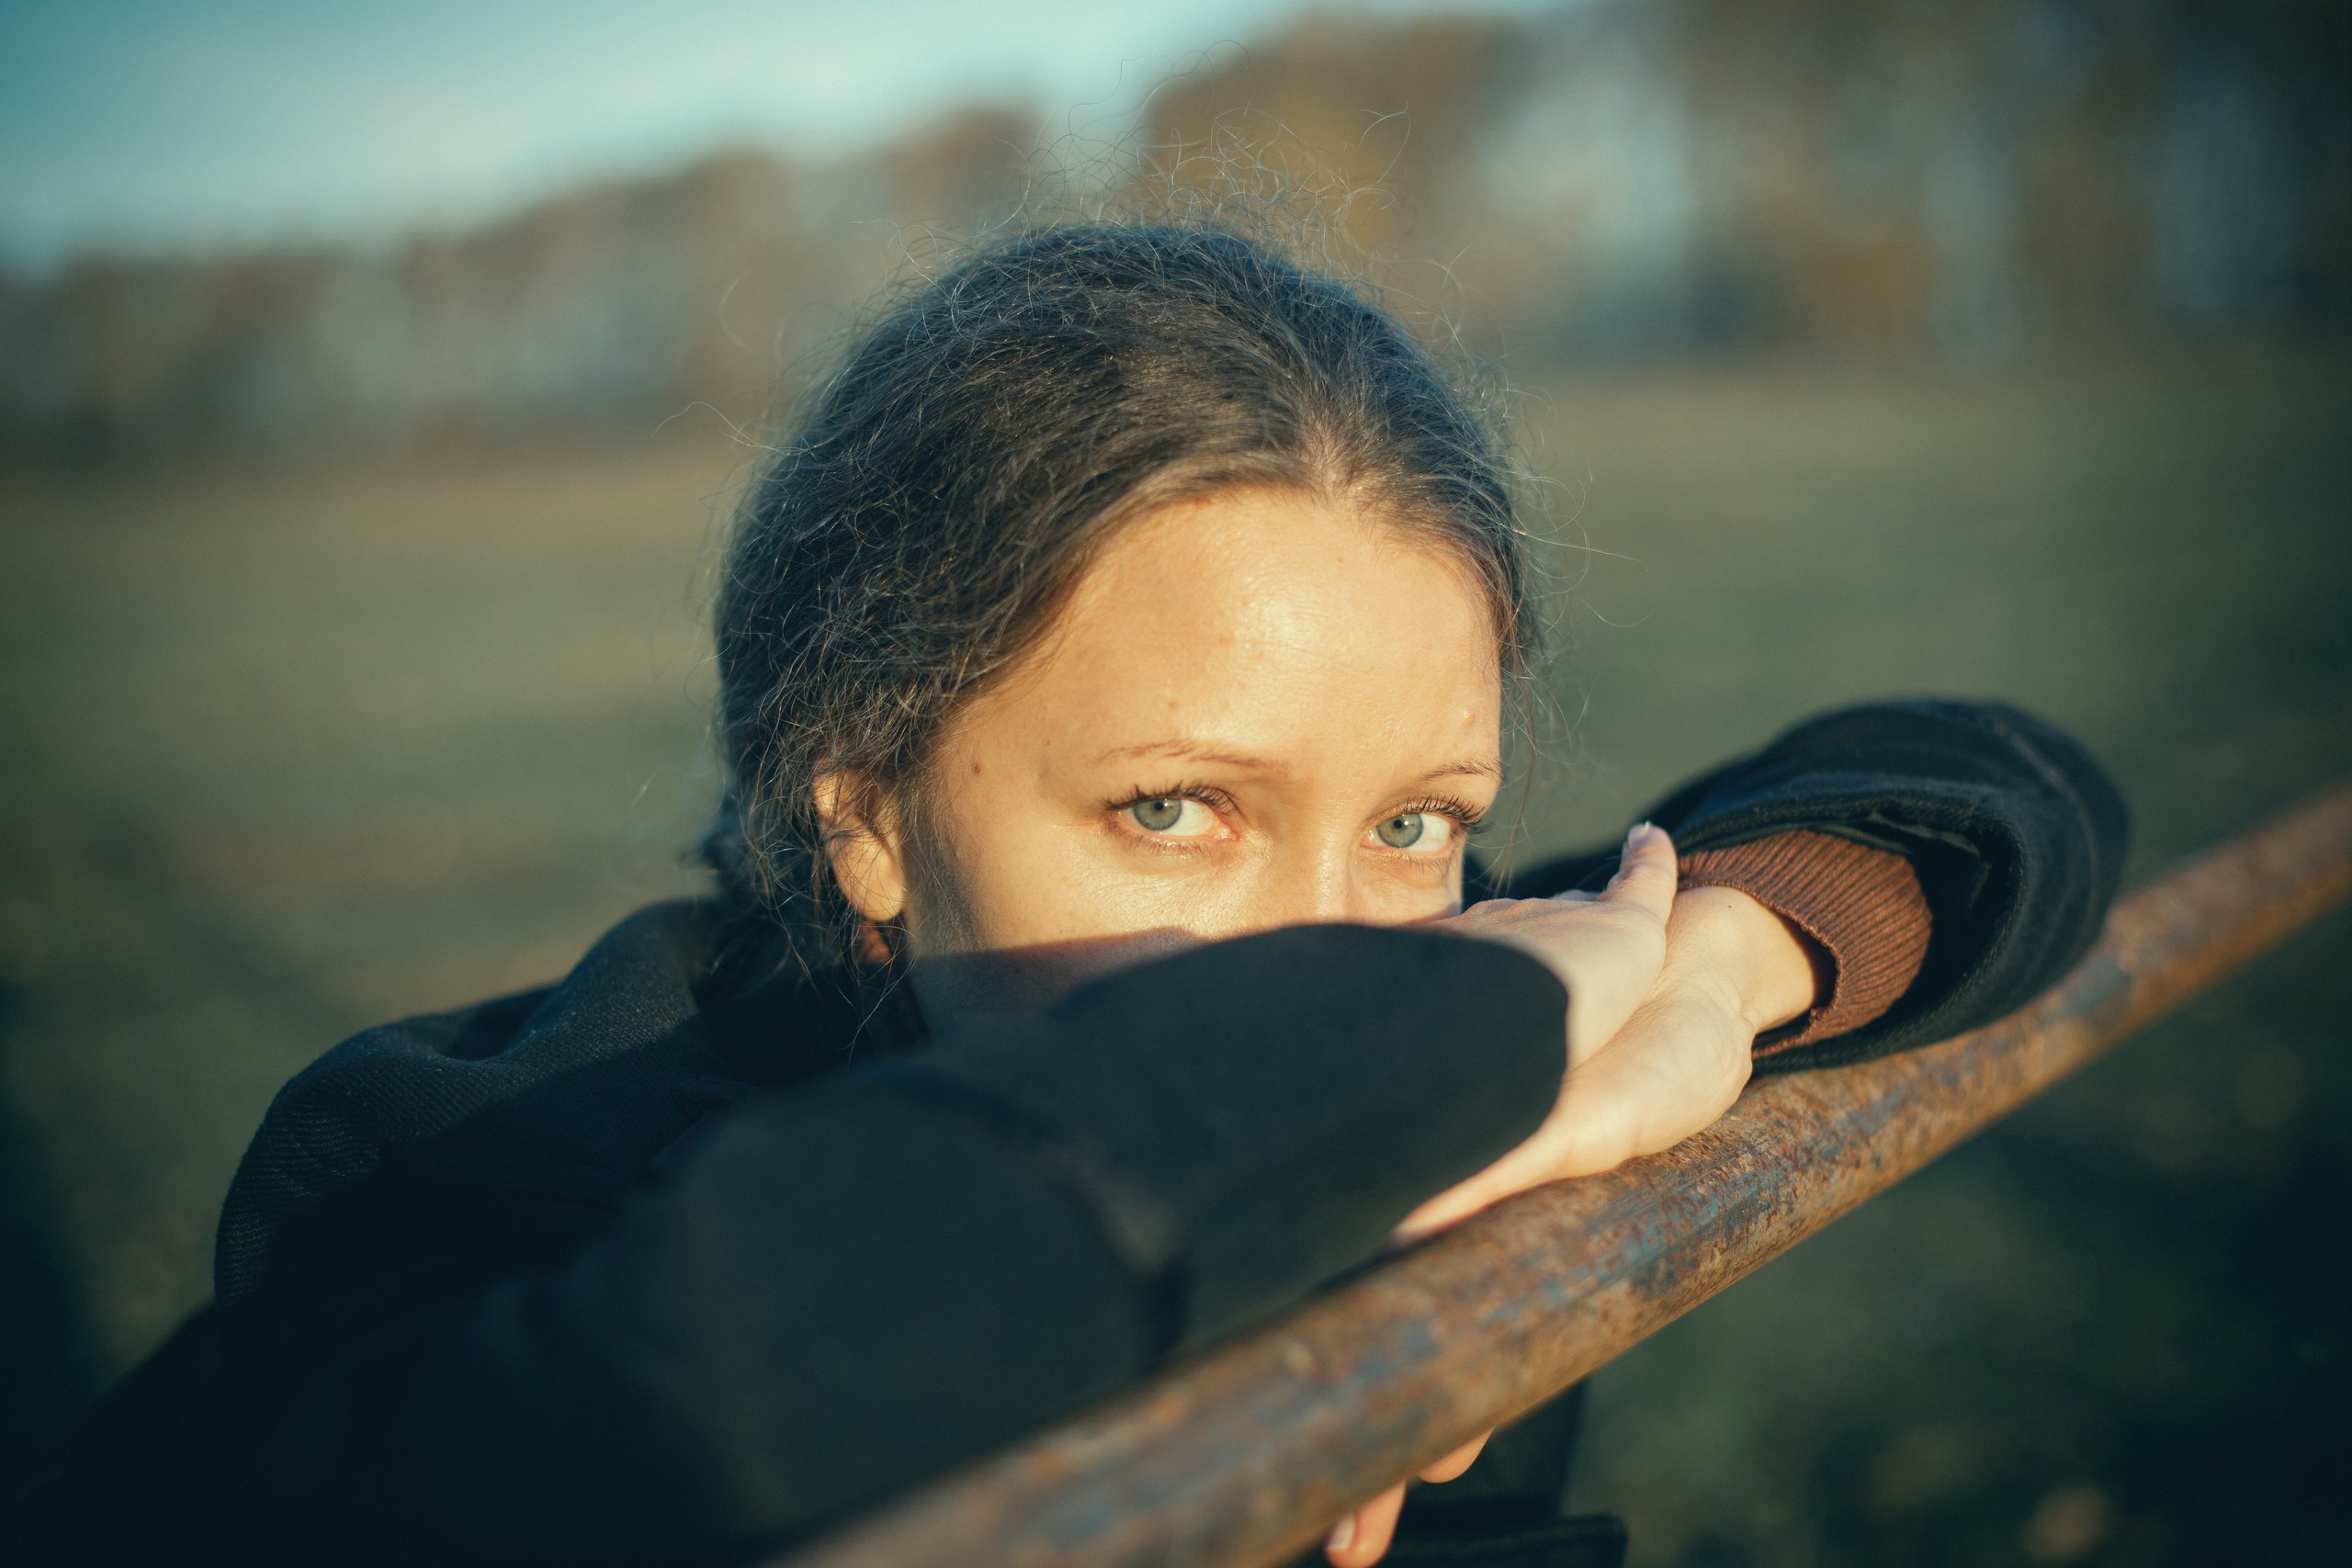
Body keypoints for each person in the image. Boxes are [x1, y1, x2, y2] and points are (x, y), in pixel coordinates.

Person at [5, 224, 2127, 1568]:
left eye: (1415, 818)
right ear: (859, 807)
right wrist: (1449, 1052)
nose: (1333, 940)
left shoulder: (1495, 993)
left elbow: (2000, 789)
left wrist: (1709, 966)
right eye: (1175, 810)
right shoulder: (475, 1185)